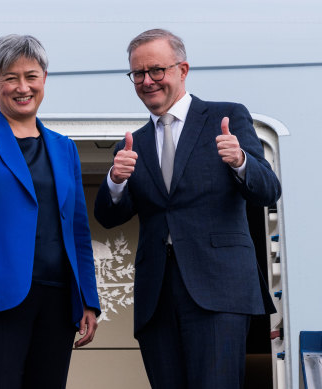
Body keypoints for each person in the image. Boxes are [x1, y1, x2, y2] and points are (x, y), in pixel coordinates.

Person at [94, 29, 281, 389]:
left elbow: (269, 190)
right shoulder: (133, 144)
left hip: (219, 290)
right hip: (156, 297)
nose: (147, 81)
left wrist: (241, 160)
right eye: (138, 74)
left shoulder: (226, 117)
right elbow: (108, 215)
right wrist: (115, 181)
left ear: (183, 69)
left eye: (156, 71)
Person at [0, 34, 100, 388]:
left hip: (59, 298)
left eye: (31, 76)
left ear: (44, 78)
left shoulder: (65, 149)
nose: (22, 87)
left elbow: (78, 230)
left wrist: (88, 299)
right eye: (10, 78)